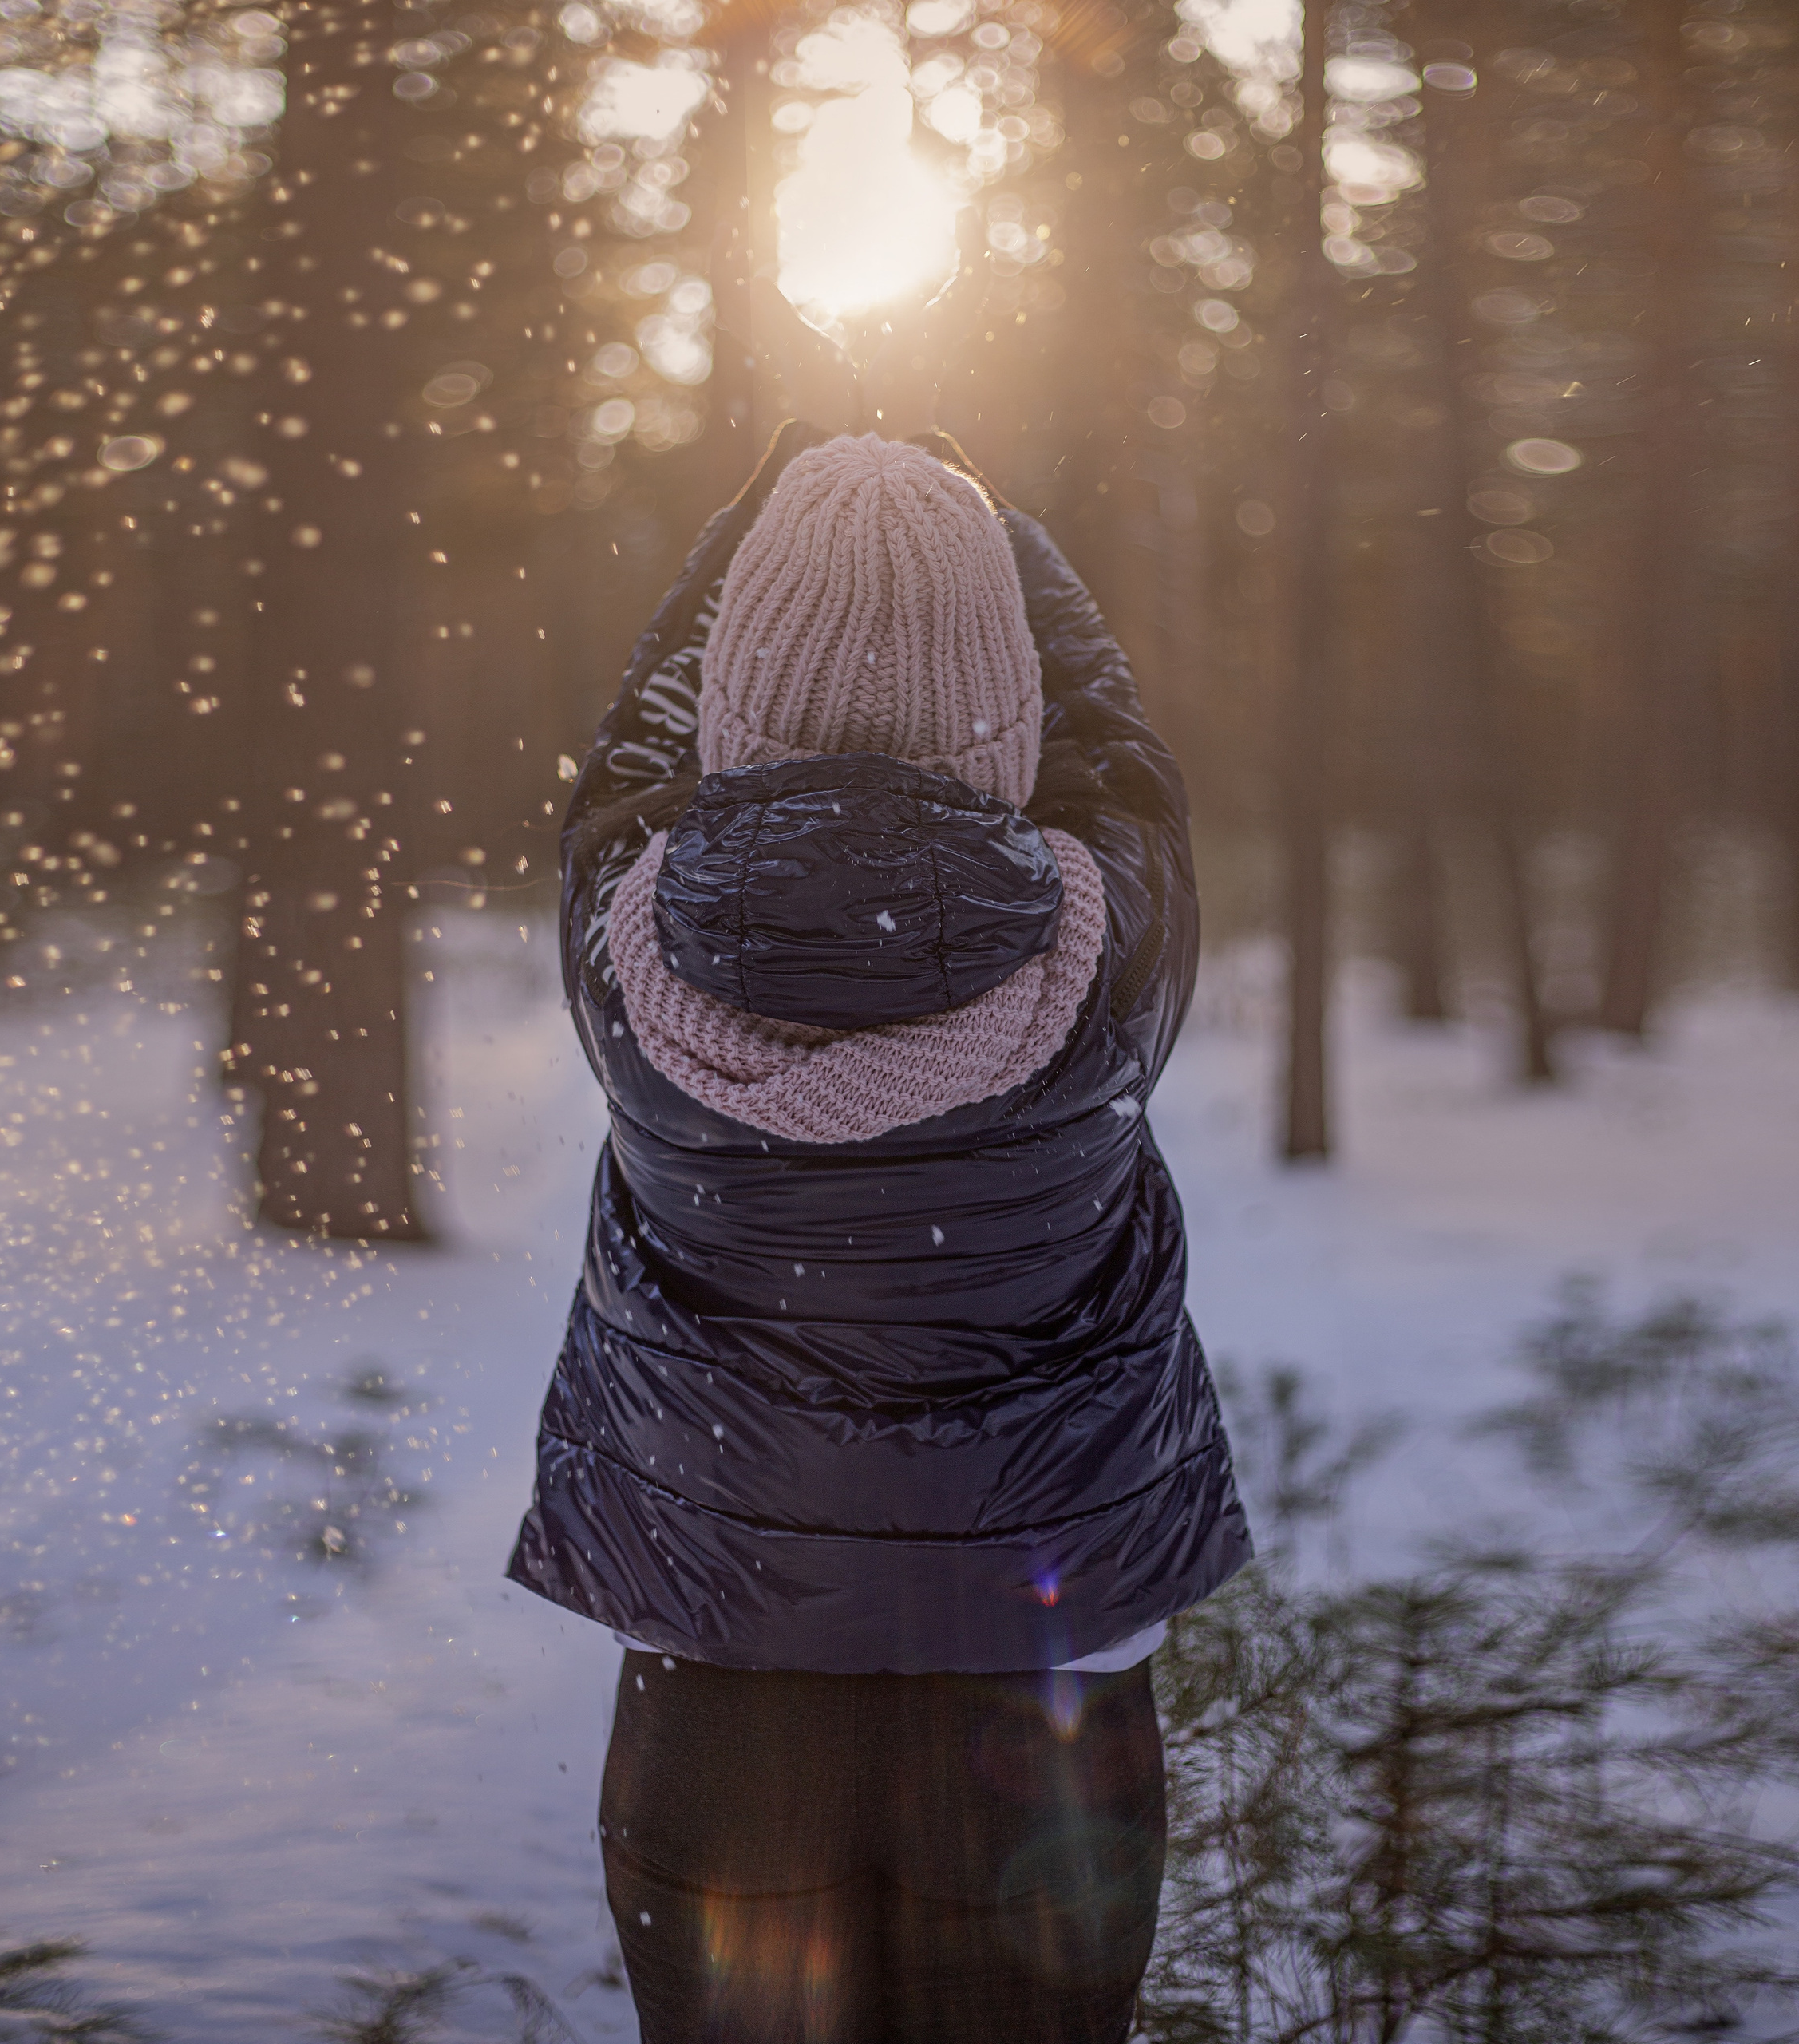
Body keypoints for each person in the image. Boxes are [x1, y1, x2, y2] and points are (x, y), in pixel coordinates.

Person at [508, 367, 1252, 2039]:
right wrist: (998, 527)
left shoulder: (629, 944)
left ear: (729, 705)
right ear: (1008, 709)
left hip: (725, 1692)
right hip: (1036, 1707)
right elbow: (1120, 746)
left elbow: (628, 746)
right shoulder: (1108, 948)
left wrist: (741, 527)